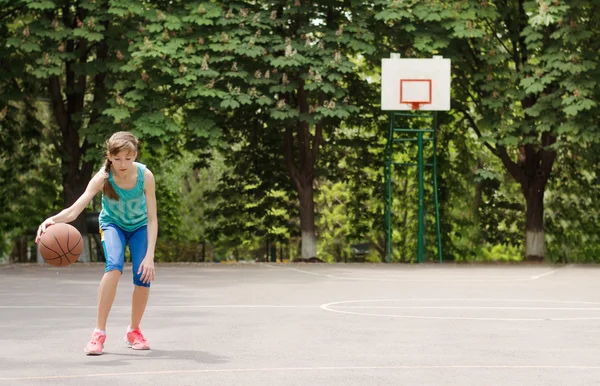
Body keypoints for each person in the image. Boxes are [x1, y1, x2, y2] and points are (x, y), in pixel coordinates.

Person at [35, 131, 158, 355]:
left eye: (128, 158)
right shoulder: (103, 177)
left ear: (135, 155)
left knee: (143, 275)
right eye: (118, 158)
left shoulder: (145, 176)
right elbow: (74, 210)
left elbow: (152, 218)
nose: (123, 164)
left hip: (140, 226)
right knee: (114, 267)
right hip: (112, 224)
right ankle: (98, 333)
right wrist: (51, 220)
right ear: (109, 156)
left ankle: (134, 330)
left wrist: (150, 255)